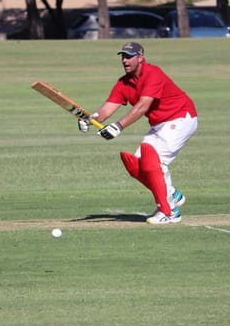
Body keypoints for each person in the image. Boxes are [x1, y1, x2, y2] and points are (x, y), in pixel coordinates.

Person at [79, 42, 198, 224]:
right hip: (159, 124)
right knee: (137, 166)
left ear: (140, 57)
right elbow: (107, 108)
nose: (125, 60)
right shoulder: (123, 83)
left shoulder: (153, 73)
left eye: (129, 56)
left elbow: (143, 106)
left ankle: (169, 212)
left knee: (155, 162)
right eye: (123, 57)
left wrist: (118, 126)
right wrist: (90, 119)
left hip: (180, 117)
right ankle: (172, 194)